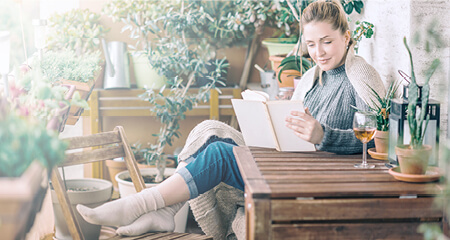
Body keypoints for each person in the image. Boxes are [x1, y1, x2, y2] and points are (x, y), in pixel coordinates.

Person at [76, 0, 386, 239]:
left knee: (219, 153)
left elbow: (380, 140)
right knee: (211, 133)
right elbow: (292, 129)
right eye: (311, 43)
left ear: (347, 36)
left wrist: (324, 136)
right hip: (289, 165)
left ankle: (141, 205)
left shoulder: (359, 73)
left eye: (327, 41)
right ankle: (165, 209)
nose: (319, 51)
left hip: (313, 178)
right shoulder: (310, 78)